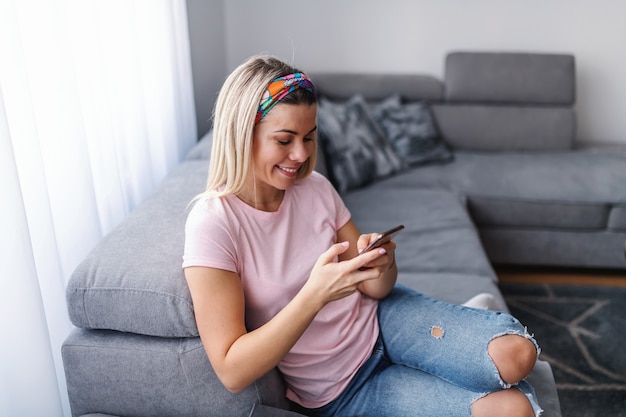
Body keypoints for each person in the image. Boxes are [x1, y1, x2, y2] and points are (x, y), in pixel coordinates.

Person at [183, 54, 543, 417]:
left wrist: (382, 262)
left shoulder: (315, 188)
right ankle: (449, 359)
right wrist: (315, 295)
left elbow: (376, 289)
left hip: (386, 319)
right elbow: (231, 371)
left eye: (308, 137)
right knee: (513, 410)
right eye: (284, 139)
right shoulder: (214, 224)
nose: (301, 154)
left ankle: (445, 358)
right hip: (344, 389)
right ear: (242, 133)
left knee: (517, 355)